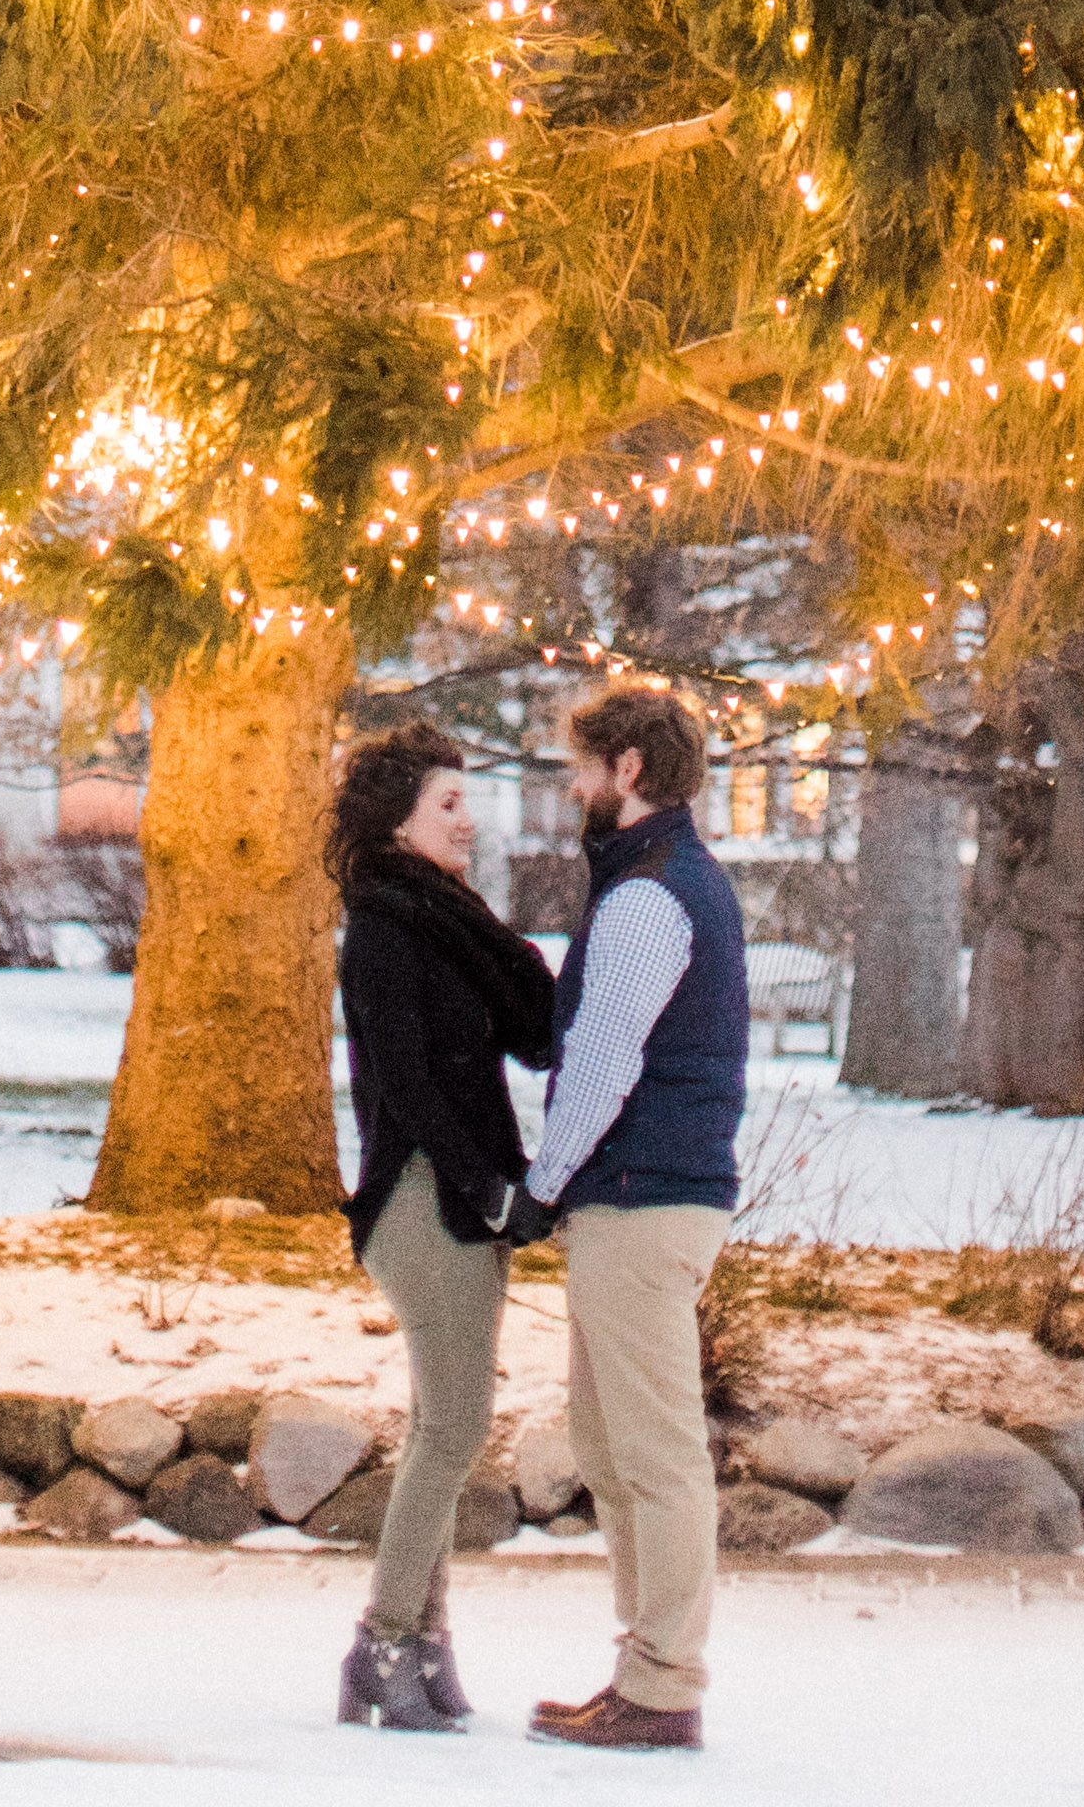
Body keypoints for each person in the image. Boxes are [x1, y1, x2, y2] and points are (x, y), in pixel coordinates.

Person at [499, 682, 746, 1753]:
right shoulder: (656, 881)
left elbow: (604, 1060)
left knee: (652, 1450)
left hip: (646, 1197)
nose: (574, 787)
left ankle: (663, 1681)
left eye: (584, 768)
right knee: (609, 1442)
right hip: (638, 1196)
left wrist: (540, 1184)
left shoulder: (653, 893)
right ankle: (645, 1665)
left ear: (628, 772)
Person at [333, 715, 559, 1731]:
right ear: (398, 825)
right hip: (423, 1197)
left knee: (442, 1426)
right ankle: (383, 1646)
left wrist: (492, 930)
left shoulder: (443, 919)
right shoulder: (382, 925)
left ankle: (419, 1649)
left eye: (467, 800)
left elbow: (537, 1032)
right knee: (457, 1427)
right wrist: (489, 1190)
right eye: (449, 804)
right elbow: (408, 1085)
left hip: (456, 1196)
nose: (471, 819)